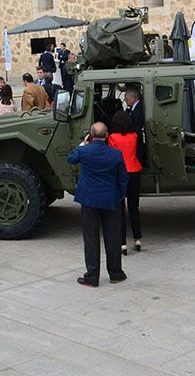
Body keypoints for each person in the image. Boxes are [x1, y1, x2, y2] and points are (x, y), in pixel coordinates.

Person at [67, 122, 128, 287]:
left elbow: (70, 158)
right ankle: (115, 273)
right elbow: (123, 179)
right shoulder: (115, 154)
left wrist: (83, 143)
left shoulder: (84, 152)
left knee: (91, 238)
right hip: (110, 199)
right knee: (113, 237)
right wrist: (120, 195)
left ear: (91, 136)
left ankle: (92, 276)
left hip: (89, 200)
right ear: (107, 135)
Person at [108, 110, 143, 255]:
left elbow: (111, 157)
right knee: (134, 208)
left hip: (120, 174)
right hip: (134, 171)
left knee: (119, 210)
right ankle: (137, 239)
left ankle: (122, 243)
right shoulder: (135, 136)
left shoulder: (112, 138)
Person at [124, 88, 146, 165]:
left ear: (133, 98)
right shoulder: (135, 108)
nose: (125, 100)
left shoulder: (138, 110)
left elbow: (137, 127)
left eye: (126, 98)